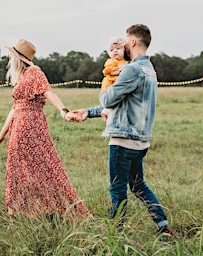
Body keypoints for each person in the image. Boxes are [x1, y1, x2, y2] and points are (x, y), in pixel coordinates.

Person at [68, 24, 177, 237]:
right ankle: (163, 227)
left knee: (118, 189)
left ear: (133, 42)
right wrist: (88, 112)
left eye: (126, 42)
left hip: (123, 140)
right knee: (138, 186)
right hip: (140, 140)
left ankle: (115, 235)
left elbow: (108, 99)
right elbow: (122, 104)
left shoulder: (131, 69)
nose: (123, 45)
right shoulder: (149, 70)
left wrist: (105, 86)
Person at [0, 39, 92, 219]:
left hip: (30, 125)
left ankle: (49, 208)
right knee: (19, 168)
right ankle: (27, 210)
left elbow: (49, 92)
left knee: (42, 166)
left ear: (19, 58)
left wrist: (64, 111)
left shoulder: (34, 72)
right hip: (19, 125)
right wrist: (1, 134)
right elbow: (15, 108)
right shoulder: (22, 77)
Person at [101, 37, 128, 122]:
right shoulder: (111, 61)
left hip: (117, 84)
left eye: (118, 48)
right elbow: (108, 71)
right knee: (112, 96)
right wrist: (119, 72)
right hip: (110, 83)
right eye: (112, 50)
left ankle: (109, 112)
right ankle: (106, 111)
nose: (115, 51)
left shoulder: (125, 62)